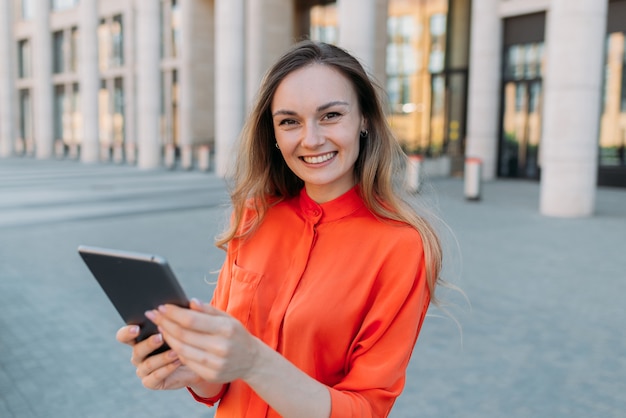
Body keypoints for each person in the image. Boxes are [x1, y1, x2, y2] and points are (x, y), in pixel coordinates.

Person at [116, 40, 443, 418]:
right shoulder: (256, 215)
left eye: (331, 115)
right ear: (272, 133)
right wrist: (188, 367)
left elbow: (365, 408)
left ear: (365, 118)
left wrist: (255, 362)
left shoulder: (400, 246)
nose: (311, 139)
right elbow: (220, 382)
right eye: (290, 121)